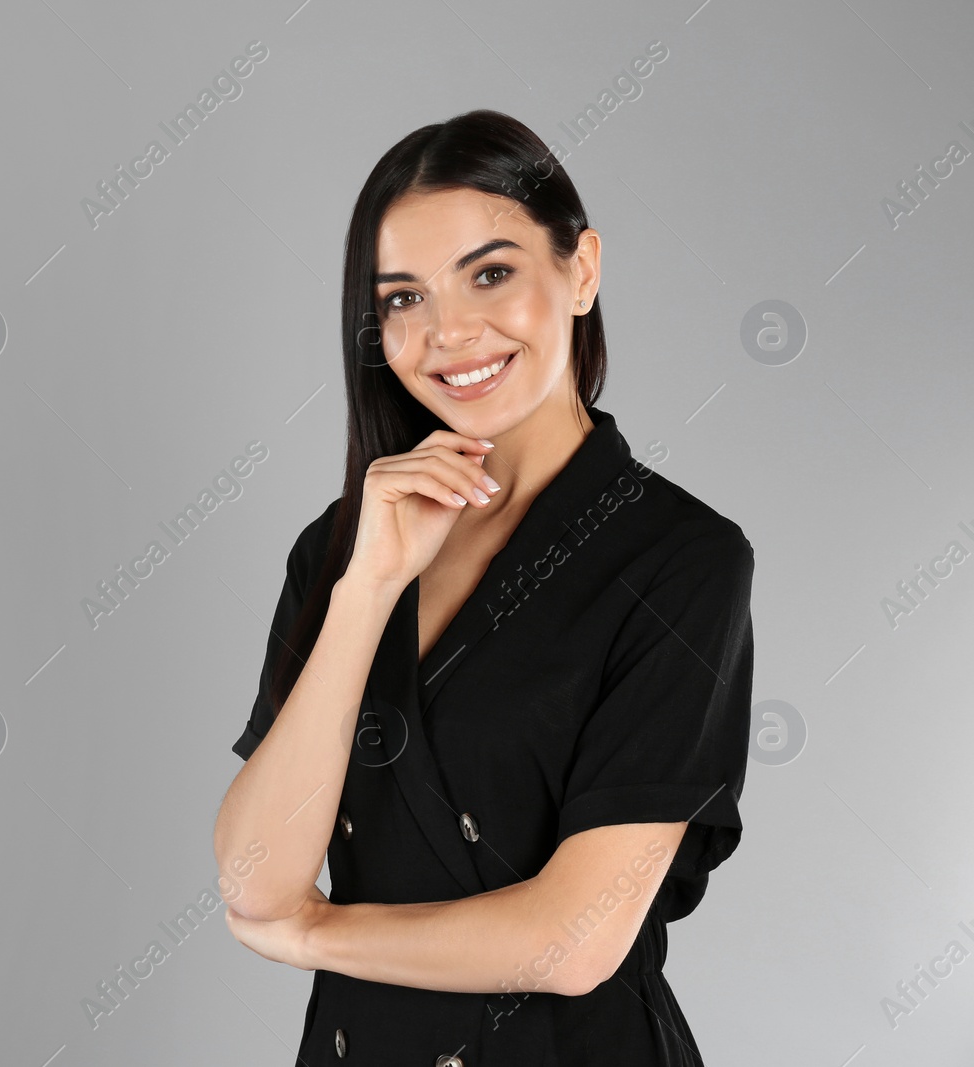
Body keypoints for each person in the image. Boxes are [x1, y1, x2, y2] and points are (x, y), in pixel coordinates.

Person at [212, 110, 755, 1065]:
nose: (449, 331)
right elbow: (256, 876)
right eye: (403, 297)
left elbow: (574, 940)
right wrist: (369, 585)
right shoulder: (341, 548)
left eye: (491, 273)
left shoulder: (681, 558)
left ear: (581, 269)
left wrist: (315, 936)